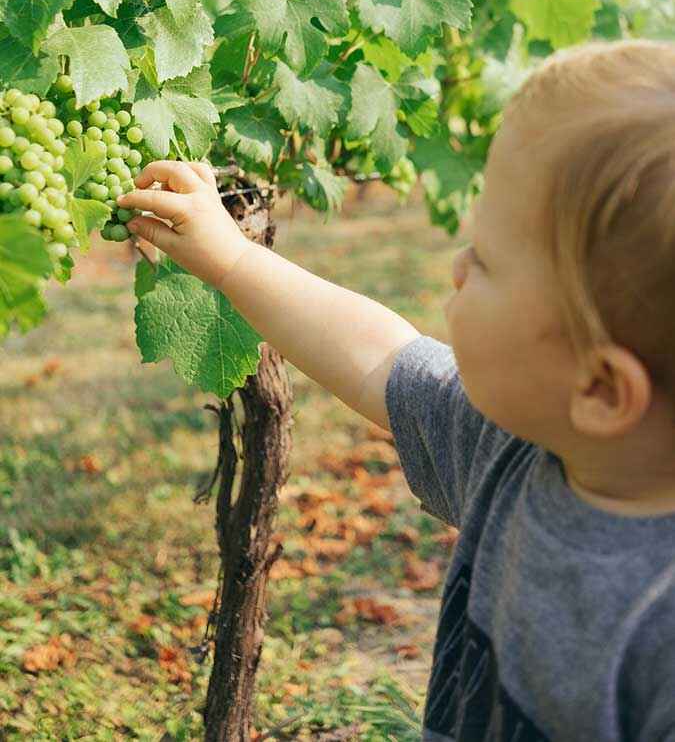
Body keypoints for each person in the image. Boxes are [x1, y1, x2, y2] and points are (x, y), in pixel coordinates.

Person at [117, 39, 675, 741]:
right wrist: (229, 258)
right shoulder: (514, 449)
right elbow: (376, 354)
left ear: (599, 388)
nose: (455, 268)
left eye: (486, 260)